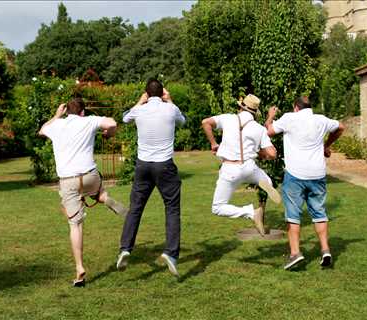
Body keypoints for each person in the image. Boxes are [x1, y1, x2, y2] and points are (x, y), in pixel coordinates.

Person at [39, 97, 128, 286]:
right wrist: (107, 134)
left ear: (67, 112)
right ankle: (104, 197)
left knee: (75, 224)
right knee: (97, 191)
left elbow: (42, 130)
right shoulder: (88, 120)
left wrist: (56, 115)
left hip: (68, 181)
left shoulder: (56, 125)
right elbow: (112, 123)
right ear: (82, 112)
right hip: (90, 176)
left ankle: (79, 268)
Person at [265, 96, 345, 270]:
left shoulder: (289, 118)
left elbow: (269, 131)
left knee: (293, 215)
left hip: (295, 175)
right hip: (317, 175)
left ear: (296, 107)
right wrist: (326, 145)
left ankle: (295, 254)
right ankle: (325, 250)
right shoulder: (321, 120)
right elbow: (341, 127)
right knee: (319, 212)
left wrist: (270, 116)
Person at [117, 79, 185, 277]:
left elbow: (124, 118)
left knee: (135, 209)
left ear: (146, 93)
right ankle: (171, 253)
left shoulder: (139, 110)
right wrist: (170, 100)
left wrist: (140, 102)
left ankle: (125, 248)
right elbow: (183, 121)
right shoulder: (171, 109)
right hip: (165, 165)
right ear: (162, 92)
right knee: (172, 209)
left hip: (143, 165)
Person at [201, 94, 281, 236]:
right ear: (255, 113)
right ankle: (266, 182)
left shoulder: (228, 118)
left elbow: (205, 122)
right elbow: (272, 154)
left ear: (240, 107)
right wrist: (260, 152)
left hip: (230, 169)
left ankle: (250, 212)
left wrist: (213, 144)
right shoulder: (258, 128)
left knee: (218, 207)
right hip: (249, 167)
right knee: (264, 178)